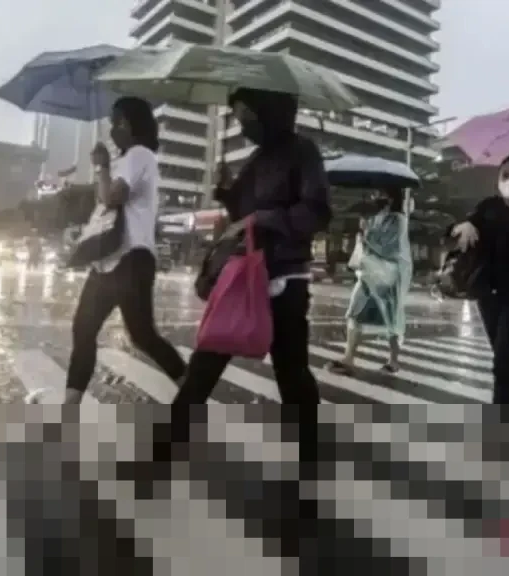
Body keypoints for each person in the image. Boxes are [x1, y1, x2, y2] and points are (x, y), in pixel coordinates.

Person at [174, 87, 331, 403]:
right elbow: (242, 217)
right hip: (244, 273)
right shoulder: (256, 159)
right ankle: (172, 432)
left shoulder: (303, 151)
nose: (242, 125)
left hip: (284, 278)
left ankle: (308, 436)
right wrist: (227, 192)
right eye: (237, 117)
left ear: (267, 112)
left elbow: (317, 212)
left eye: (246, 116)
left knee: (292, 372)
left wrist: (265, 218)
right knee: (206, 359)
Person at [63, 97, 188, 404]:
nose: (113, 128)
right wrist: (104, 168)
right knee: (84, 330)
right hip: (108, 259)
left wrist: (102, 166)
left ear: (132, 124)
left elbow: (113, 197)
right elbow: (104, 199)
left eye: (118, 122)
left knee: (143, 335)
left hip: (130, 258)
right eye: (111, 122)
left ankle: (193, 395)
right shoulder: (127, 160)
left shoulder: (139, 154)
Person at [448, 154, 509, 404]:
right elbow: (456, 230)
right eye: (505, 175)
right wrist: (464, 226)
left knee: (503, 360)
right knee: (505, 361)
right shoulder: (488, 207)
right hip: (488, 294)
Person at [326, 187, 412, 375]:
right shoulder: (372, 217)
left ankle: (393, 360)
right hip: (368, 271)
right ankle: (348, 358)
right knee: (354, 312)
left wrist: (366, 237)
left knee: (391, 318)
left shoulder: (398, 220)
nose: (375, 196)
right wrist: (363, 234)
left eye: (380, 193)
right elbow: (366, 246)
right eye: (374, 193)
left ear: (391, 197)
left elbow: (389, 249)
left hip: (388, 276)